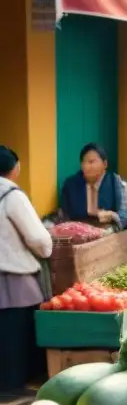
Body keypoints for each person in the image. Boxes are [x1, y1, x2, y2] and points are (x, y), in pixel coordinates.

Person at [0, 147, 53, 391]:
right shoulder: (11, 194)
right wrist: (46, 251)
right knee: (16, 342)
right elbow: (38, 238)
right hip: (14, 280)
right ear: (15, 168)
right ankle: (14, 391)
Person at [60, 144, 127, 229]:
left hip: (109, 233)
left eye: (91, 162)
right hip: (79, 233)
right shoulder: (70, 185)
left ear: (105, 164)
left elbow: (126, 216)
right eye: (84, 162)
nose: (87, 166)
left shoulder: (117, 183)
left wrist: (113, 217)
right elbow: (65, 215)